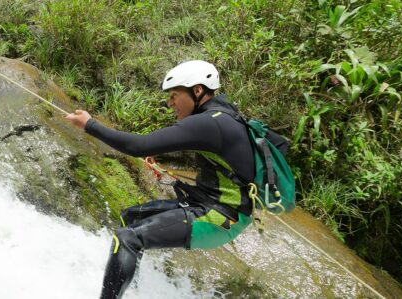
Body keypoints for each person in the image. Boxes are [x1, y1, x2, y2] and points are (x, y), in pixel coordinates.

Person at [66, 60, 285, 299]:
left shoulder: (209, 123)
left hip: (220, 217)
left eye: (174, 95)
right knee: (130, 218)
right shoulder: (225, 116)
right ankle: (131, 290)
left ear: (197, 90)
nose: (170, 103)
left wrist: (90, 125)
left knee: (126, 238)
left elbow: (138, 146)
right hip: (210, 205)